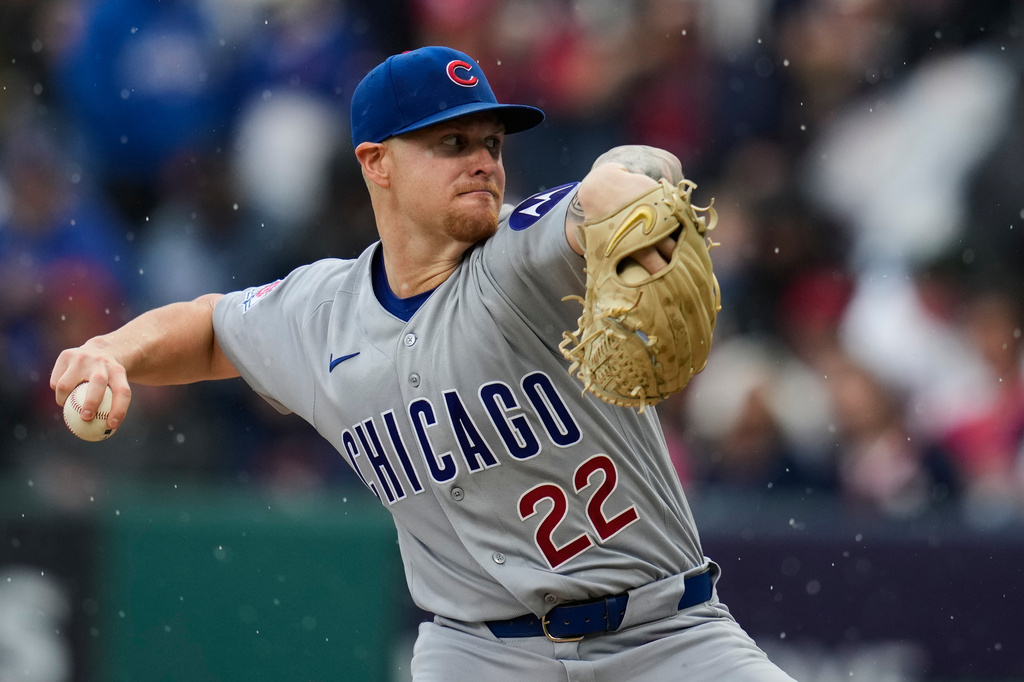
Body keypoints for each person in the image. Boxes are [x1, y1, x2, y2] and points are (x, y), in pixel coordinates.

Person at [50, 46, 795, 681]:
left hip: (667, 637)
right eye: (451, 144)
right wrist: (110, 349)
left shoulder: (524, 257)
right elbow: (211, 327)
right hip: (479, 655)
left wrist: (636, 179)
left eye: (492, 145)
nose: (482, 163)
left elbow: (607, 188)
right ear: (376, 162)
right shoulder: (322, 311)